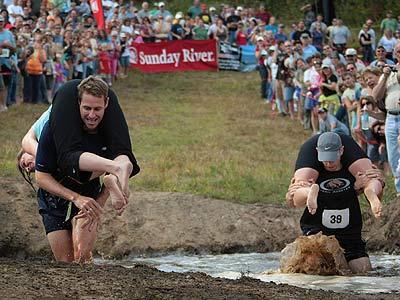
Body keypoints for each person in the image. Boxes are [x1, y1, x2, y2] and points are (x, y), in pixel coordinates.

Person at [29, 77, 135, 262]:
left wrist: (100, 201)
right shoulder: (52, 128)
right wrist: (76, 198)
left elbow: (121, 153)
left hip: (89, 186)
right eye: (87, 108)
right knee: (66, 260)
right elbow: (41, 177)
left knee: (83, 257)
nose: (92, 115)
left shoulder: (108, 130)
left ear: (106, 104)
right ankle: (115, 172)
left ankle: (116, 176)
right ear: (78, 103)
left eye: (97, 109)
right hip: (56, 193)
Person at [286, 132, 384, 274]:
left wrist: (361, 188)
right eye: (325, 159)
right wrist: (296, 194)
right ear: (318, 153)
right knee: (316, 267)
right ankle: (309, 194)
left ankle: (371, 194)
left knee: (363, 270)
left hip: (348, 231)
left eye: (332, 159)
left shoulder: (354, 166)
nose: (328, 163)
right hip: (318, 229)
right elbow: (292, 200)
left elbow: (374, 177)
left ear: (342, 151)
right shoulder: (311, 164)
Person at [372, 43, 400, 195]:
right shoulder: (389, 72)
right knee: (393, 154)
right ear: (394, 54)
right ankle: (399, 191)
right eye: (397, 51)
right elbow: (375, 96)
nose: (399, 53)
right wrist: (385, 76)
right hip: (391, 117)